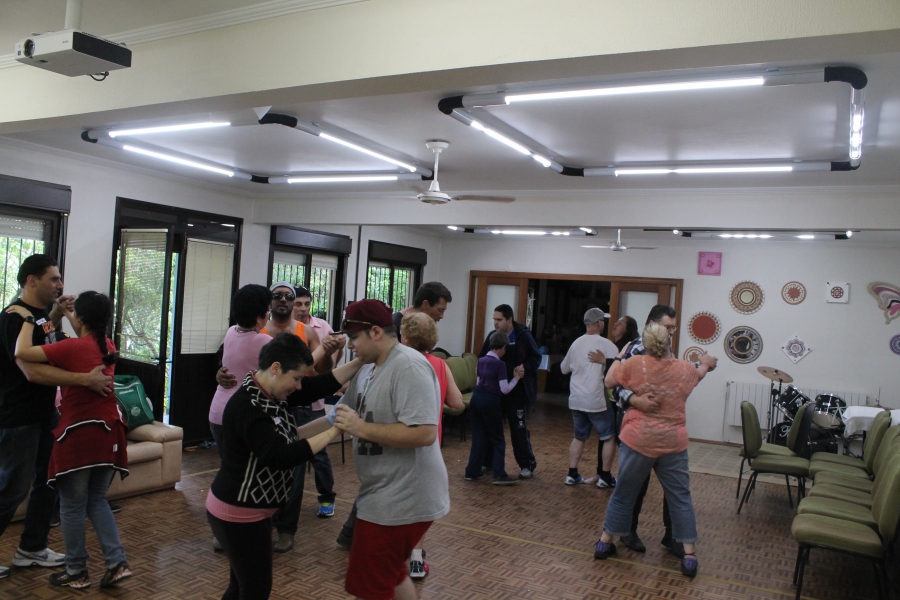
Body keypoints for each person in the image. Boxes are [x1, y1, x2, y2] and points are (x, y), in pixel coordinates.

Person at [206, 333, 363, 600]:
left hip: (248, 511)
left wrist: (361, 361)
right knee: (255, 589)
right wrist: (334, 432)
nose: (300, 386)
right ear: (276, 368)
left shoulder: (269, 392)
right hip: (238, 513)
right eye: (297, 378)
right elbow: (280, 455)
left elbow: (317, 387)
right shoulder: (250, 406)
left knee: (241, 586)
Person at [327, 299, 449, 600]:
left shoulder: (408, 366)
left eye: (355, 338)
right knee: (392, 575)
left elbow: (424, 433)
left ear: (376, 332)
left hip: (403, 497)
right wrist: (292, 438)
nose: (351, 346)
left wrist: (361, 428)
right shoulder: (369, 368)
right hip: (381, 491)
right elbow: (338, 417)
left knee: (369, 587)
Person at [0, 255, 111, 581]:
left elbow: (48, 340)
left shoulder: (39, 317)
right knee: (12, 488)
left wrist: (57, 313)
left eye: (60, 279)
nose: (60, 285)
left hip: (45, 414)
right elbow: (31, 370)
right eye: (53, 279)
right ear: (31, 281)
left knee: (48, 484)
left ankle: (31, 547)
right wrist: (85, 380)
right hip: (17, 418)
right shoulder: (13, 317)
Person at [9, 291, 131, 589]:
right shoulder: (107, 345)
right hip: (109, 433)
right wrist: (61, 315)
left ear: (82, 318)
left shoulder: (70, 348)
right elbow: (85, 334)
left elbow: (21, 352)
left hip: (79, 434)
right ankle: (116, 563)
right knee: (96, 500)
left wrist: (29, 320)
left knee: (73, 506)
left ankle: (77, 571)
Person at [593, 305, 716, 557]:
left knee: (624, 493)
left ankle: (606, 541)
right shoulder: (680, 367)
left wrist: (618, 357)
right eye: (668, 328)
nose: (671, 333)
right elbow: (695, 373)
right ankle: (689, 554)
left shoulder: (636, 360)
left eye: (673, 328)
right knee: (677, 497)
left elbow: (610, 380)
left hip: (639, 437)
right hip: (671, 440)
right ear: (653, 326)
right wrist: (703, 364)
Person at [400, 312, 463, 579]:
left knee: (400, 503)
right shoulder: (439, 364)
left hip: (399, 443)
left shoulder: (398, 363)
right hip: (429, 446)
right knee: (421, 505)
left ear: (404, 336)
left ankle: (398, 556)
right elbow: (458, 404)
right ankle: (416, 558)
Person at [478, 304, 541, 479]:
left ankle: (526, 464)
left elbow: (536, 357)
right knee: (492, 428)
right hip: (495, 392)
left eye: (499, 320)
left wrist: (524, 368)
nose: (495, 323)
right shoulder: (492, 336)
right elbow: (482, 357)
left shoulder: (523, 336)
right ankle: (487, 461)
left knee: (518, 429)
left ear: (509, 320)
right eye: (494, 320)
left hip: (516, 392)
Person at [559, 308, 620, 487]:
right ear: (600, 323)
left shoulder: (576, 343)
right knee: (608, 437)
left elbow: (563, 369)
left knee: (579, 436)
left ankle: (572, 474)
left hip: (576, 399)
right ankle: (605, 477)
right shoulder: (607, 344)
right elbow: (620, 367)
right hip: (596, 400)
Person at [464, 331, 524, 486]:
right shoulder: (500, 364)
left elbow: (478, 382)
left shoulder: (481, 360)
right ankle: (499, 474)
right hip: (490, 402)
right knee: (498, 440)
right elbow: (504, 389)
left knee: (478, 438)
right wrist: (516, 378)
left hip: (476, 399)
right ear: (503, 347)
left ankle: (472, 471)